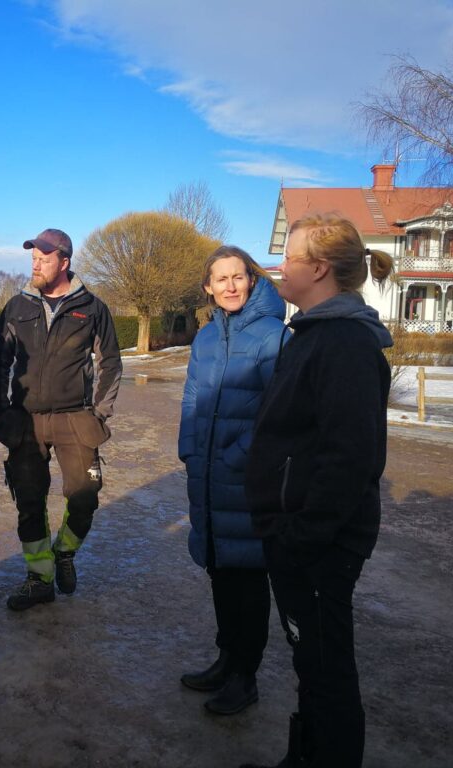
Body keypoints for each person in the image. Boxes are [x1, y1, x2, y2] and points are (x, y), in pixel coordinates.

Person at [241, 214, 394, 768]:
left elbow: (350, 458)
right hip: (300, 537)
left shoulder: (344, 344)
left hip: (317, 544)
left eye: (292, 254)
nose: (280, 264)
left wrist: (299, 536)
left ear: (321, 267)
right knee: (312, 662)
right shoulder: (313, 334)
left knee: (327, 668)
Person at [0, 228, 122, 610]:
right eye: (33, 257)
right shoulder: (17, 307)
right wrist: (2, 413)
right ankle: (40, 577)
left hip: (75, 419)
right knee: (29, 501)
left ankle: (64, 552)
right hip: (25, 422)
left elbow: (110, 362)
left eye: (44, 258)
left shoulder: (92, 308)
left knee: (85, 497)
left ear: (64, 262)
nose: (36, 263)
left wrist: (99, 413)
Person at [178, 246, 285, 716]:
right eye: (220, 279)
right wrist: (189, 448)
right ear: (208, 286)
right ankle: (226, 659)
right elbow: (191, 398)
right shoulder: (204, 338)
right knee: (220, 569)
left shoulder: (272, 336)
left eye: (237, 277)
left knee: (246, 577)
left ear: (252, 278)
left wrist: (242, 455)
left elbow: (281, 413)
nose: (229, 286)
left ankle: (246, 675)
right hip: (206, 473)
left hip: (247, 479)